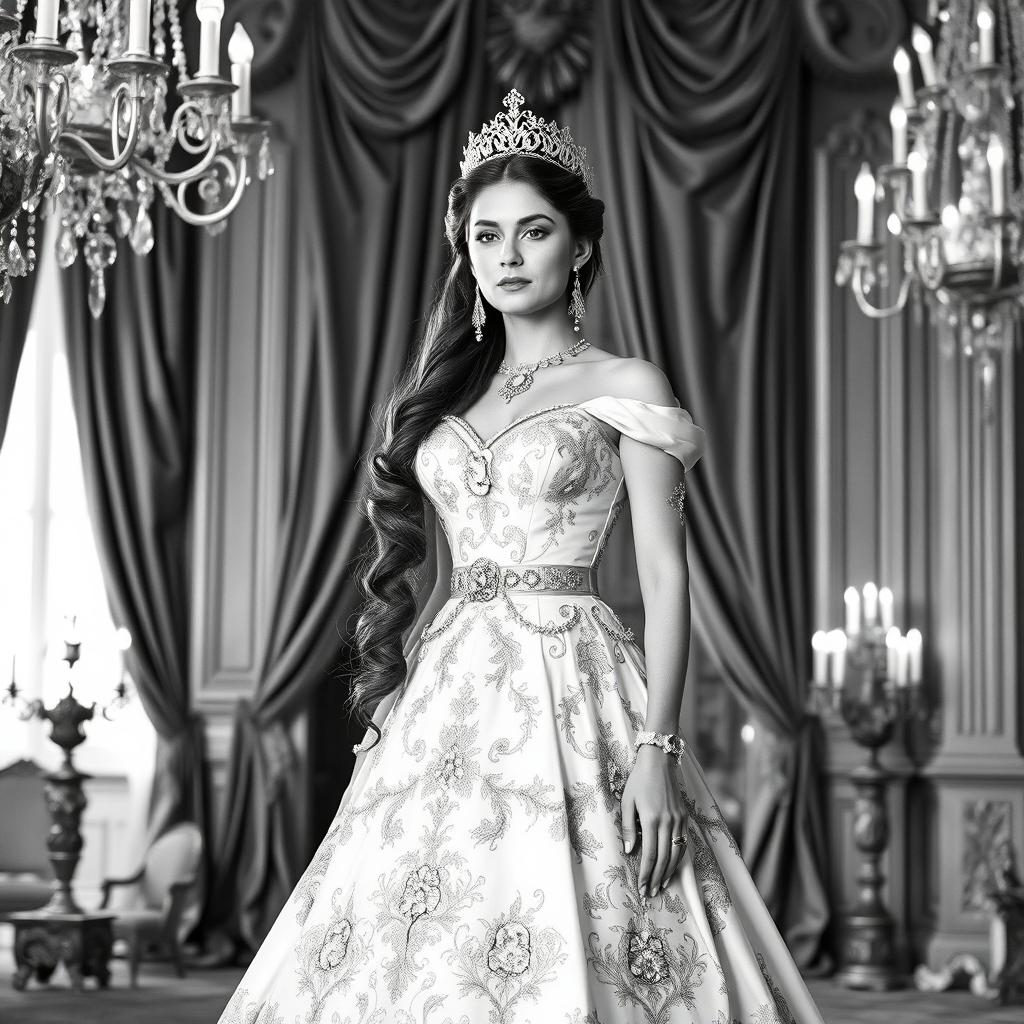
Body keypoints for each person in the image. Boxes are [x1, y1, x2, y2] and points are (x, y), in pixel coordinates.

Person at [218, 88, 826, 1024]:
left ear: (577, 247)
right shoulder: (446, 395)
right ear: (465, 251)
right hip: (446, 690)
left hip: (575, 677)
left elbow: (666, 578)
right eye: (487, 235)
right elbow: (450, 577)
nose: (507, 256)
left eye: (533, 232)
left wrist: (657, 750)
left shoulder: (625, 383)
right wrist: (396, 697)